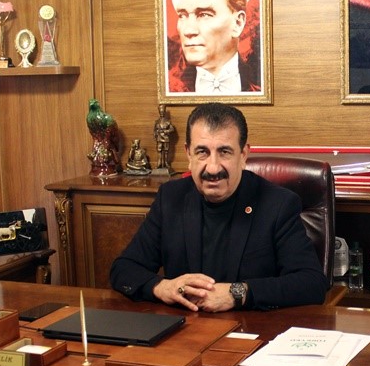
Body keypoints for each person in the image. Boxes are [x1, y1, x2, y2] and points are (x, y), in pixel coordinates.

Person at [110, 103, 328, 311]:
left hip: (252, 328)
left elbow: (311, 283)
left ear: (243, 155)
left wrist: (237, 294)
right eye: (202, 152)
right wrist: (162, 287)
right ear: (188, 154)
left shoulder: (278, 204)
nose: (213, 168)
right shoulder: (171, 198)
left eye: (224, 152)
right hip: (186, 327)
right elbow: (124, 268)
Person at [170, 0, 261, 93]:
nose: (188, 31)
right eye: (182, 15)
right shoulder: (171, 86)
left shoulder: (260, 83)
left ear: (237, 23)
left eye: (204, 15)